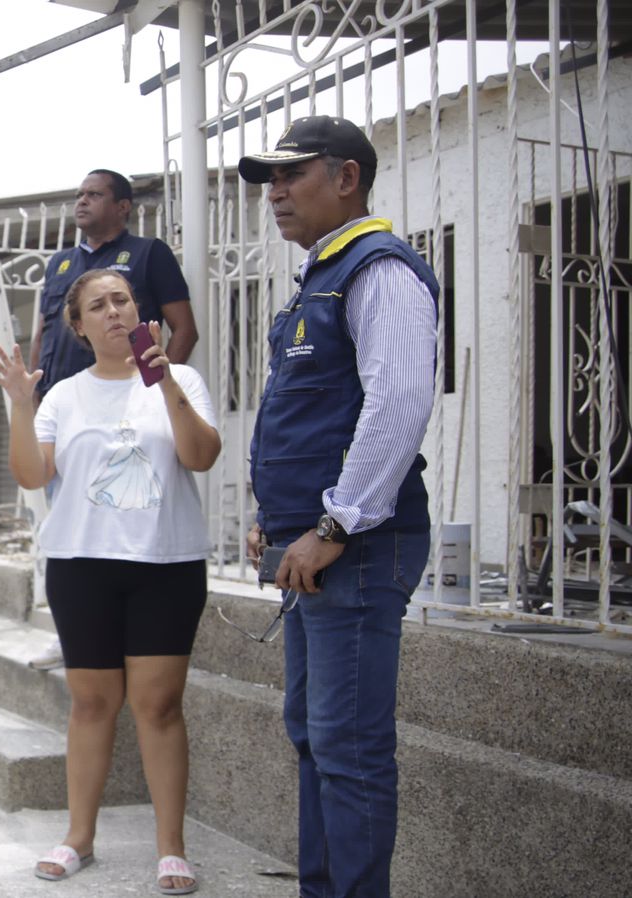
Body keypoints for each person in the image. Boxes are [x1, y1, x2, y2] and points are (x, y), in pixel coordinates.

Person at [237, 116, 437, 898]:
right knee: (315, 737)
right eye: (270, 181)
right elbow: (315, 420)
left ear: (347, 177)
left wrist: (333, 523)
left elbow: (400, 402)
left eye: (292, 176)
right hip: (314, 546)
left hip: (353, 547)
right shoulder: (321, 276)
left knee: (348, 747)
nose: (276, 193)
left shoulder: (376, 269)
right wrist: (282, 517)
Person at [0, 269, 220, 896]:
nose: (114, 311)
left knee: (159, 707)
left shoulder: (183, 379)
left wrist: (164, 378)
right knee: (92, 704)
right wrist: (20, 402)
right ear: (80, 325)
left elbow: (201, 456)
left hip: (165, 565)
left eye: (122, 300)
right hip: (82, 565)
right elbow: (34, 475)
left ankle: (170, 847)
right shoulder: (64, 395)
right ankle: (78, 837)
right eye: (99, 305)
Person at [27, 168, 199, 672]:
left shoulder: (149, 255)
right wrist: (35, 395)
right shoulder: (60, 264)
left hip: (131, 421)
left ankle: (136, 635)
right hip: (70, 421)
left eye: (95, 194)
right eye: (79, 195)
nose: (82, 202)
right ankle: (76, 637)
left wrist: (162, 386)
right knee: (68, 527)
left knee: (129, 520)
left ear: (123, 206)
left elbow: (182, 327)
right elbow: (43, 332)